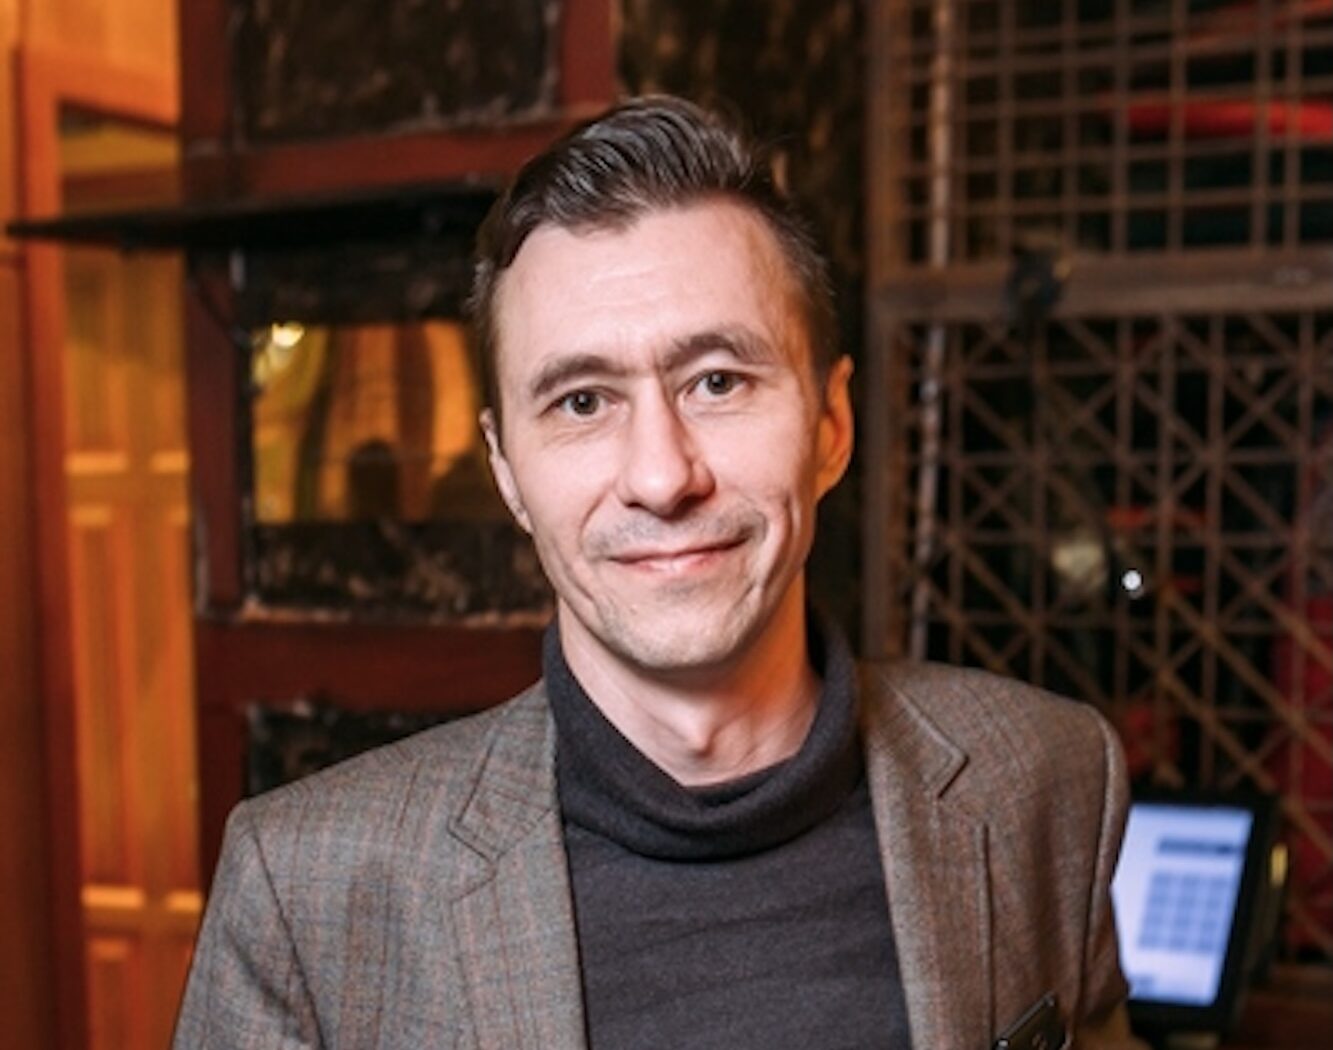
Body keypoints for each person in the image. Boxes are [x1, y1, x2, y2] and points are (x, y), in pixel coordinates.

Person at [174, 96, 1141, 1050]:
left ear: (830, 425)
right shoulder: (306, 897)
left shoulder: (1045, 780)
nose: (661, 476)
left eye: (717, 380)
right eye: (581, 401)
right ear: (506, 471)